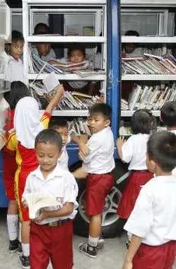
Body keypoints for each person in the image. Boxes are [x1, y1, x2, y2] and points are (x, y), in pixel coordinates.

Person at [122, 131, 176, 269]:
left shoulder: (149, 189)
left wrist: (128, 259)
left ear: (152, 164)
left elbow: (140, 228)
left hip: (149, 252)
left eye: (146, 155)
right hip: (171, 248)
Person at [13, 87, 65, 268]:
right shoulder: (42, 128)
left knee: (25, 218)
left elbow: (8, 147)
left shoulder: (14, 135)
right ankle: (44, 248)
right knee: (41, 213)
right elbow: (48, 110)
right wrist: (57, 96)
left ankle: (26, 256)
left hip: (23, 178)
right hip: (41, 174)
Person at [24, 129, 78, 269]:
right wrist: (27, 203)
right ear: (35, 152)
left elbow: (68, 208)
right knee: (36, 265)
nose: (45, 160)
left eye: (50, 156)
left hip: (61, 230)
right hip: (38, 230)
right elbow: (26, 198)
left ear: (59, 154)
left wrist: (48, 214)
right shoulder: (32, 177)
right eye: (41, 155)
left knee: (62, 265)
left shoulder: (66, 178)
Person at [72, 103, 115, 258]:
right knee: (98, 210)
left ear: (106, 122)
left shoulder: (96, 139)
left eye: (96, 120)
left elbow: (83, 156)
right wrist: (83, 142)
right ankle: (96, 238)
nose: (91, 123)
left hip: (97, 179)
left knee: (94, 213)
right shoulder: (108, 133)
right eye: (89, 119)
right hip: (106, 176)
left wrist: (80, 141)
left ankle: (91, 247)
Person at [2, 81, 31, 253]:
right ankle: (23, 242)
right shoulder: (28, 115)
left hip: (9, 161)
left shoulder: (5, 114)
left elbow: (5, 143)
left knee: (13, 201)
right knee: (25, 204)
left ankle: (13, 241)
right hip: (26, 163)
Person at [116, 110, 156, 226]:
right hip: (151, 176)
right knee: (149, 205)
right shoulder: (153, 138)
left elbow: (125, 158)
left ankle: (132, 235)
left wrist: (120, 147)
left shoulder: (133, 139)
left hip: (137, 177)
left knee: (133, 205)